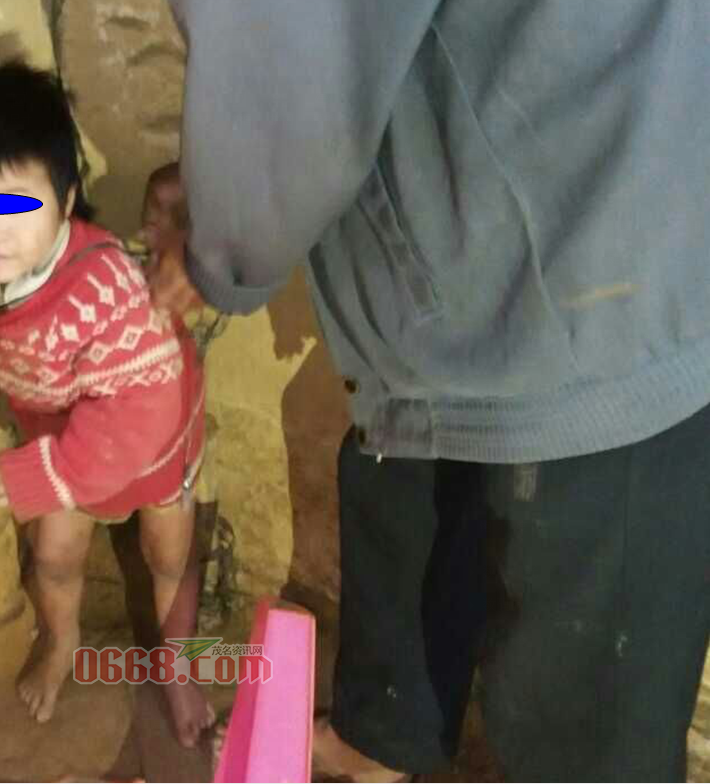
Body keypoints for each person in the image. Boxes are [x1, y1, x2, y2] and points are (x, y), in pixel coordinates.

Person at [146, 1, 710, 779]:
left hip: (596, 271)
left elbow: (295, 47)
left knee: (586, 681)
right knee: (411, 491)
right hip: (506, 221)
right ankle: (384, 735)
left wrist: (221, 246)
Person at [0, 61, 214, 747]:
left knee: (168, 557)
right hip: (64, 443)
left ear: (67, 198)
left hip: (151, 440)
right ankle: (61, 639)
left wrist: (44, 476)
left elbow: (140, 409)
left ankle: (178, 665)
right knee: (55, 556)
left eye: (15, 205)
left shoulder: (105, 290)